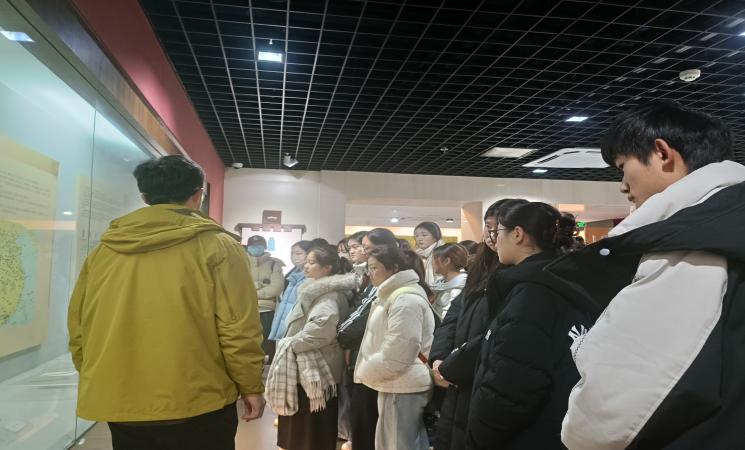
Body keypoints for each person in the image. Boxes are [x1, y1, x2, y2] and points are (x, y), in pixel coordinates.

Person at [553, 100, 745, 449]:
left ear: (662, 153)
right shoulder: (727, 222)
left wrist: (575, 433)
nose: (623, 185)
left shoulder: (691, 244)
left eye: (623, 167)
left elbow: (618, 409)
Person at [68, 155, 265, 450]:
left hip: (121, 400)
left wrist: (96, 375)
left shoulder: (103, 251)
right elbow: (238, 328)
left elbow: (79, 324)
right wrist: (250, 386)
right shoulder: (220, 247)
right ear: (198, 196)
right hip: (198, 400)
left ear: (144, 196)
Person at [467, 202, 601, 450]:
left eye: (498, 231)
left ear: (517, 234)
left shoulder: (532, 293)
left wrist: (480, 433)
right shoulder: (562, 279)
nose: (495, 240)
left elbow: (513, 383)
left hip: (525, 435)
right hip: (556, 427)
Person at [429, 199, 527, 450]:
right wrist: (439, 357)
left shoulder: (521, 274)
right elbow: (454, 315)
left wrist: (452, 366)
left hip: (482, 379)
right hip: (456, 377)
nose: (492, 236)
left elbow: (495, 334)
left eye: (497, 229)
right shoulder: (481, 265)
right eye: (488, 228)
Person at [268, 244, 356, 450]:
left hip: (316, 367)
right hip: (308, 363)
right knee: (302, 424)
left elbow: (318, 333)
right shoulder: (314, 290)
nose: (306, 266)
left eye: (311, 262)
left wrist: (289, 344)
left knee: (311, 427)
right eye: (306, 261)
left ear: (327, 268)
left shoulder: (329, 296)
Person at [355, 245, 436, 450]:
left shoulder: (405, 299)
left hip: (403, 381)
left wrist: (368, 370)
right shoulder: (393, 294)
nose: (370, 273)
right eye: (368, 267)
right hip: (396, 380)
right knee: (396, 441)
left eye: (374, 267)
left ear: (393, 268)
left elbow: (399, 352)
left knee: (398, 443)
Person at [337, 229, 399, 450]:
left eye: (367, 248)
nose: (361, 251)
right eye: (358, 247)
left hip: (374, 361)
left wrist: (341, 336)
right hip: (365, 356)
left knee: (369, 418)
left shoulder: (392, 288)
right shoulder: (372, 280)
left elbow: (361, 319)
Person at [245, 235, 285, 361]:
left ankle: (266, 366)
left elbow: (276, 288)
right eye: (252, 246)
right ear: (248, 247)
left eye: (259, 246)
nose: (255, 248)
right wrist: (260, 286)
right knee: (247, 342)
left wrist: (253, 292)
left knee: (266, 343)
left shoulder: (274, 264)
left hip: (268, 310)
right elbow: (237, 285)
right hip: (246, 309)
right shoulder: (240, 262)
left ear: (264, 247)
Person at [268, 240, 313, 341]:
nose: (294, 256)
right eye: (292, 253)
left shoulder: (310, 279)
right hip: (283, 329)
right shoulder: (293, 277)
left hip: (294, 333)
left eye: (298, 253)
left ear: (309, 255)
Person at [431, 243, 469, 319]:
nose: (432, 263)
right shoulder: (441, 283)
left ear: (446, 261)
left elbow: (449, 317)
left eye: (434, 259)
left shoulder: (459, 289)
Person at [414, 222, 445, 288]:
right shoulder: (417, 254)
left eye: (424, 235)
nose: (419, 239)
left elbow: (442, 279)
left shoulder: (442, 252)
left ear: (435, 237)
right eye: (416, 236)